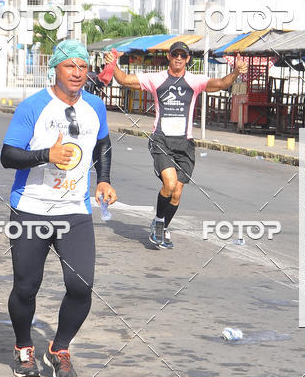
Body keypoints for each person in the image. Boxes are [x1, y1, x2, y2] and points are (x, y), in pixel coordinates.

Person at [0, 39, 117, 377]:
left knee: (81, 286)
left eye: (83, 67)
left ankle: (59, 348)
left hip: (74, 211)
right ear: (56, 69)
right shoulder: (33, 106)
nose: (78, 73)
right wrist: (45, 156)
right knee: (26, 286)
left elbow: (103, 143)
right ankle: (24, 346)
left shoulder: (95, 105)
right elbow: (8, 156)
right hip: (31, 210)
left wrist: (104, 180)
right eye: (70, 66)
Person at [105, 41, 248, 248]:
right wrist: (114, 64)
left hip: (185, 143)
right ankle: (159, 223)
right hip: (162, 139)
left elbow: (221, 84)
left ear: (188, 59)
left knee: (177, 192)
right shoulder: (156, 79)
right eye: (175, 55)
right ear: (169, 57)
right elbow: (125, 79)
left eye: (183, 55)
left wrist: (235, 72)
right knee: (169, 184)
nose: (178, 58)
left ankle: (160, 225)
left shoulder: (195, 81)